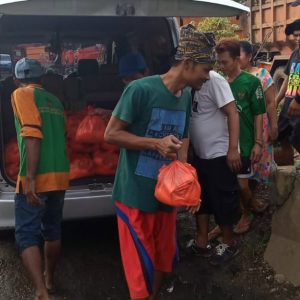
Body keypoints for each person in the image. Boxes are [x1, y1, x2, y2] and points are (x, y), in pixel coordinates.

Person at [104, 24, 215, 300]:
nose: (209, 77)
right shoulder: (140, 90)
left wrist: (189, 186)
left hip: (165, 196)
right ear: (188, 64)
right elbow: (111, 134)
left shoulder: (186, 95)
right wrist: (155, 143)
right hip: (135, 195)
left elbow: (183, 140)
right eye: (206, 70)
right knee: (141, 268)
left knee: (164, 261)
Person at [11, 58, 69, 300]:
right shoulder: (55, 101)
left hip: (37, 177)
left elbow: (32, 136)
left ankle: (41, 291)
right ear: (42, 79)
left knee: (26, 234)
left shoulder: (21, 94)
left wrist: (31, 180)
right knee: (52, 230)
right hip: (60, 176)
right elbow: (64, 135)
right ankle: (50, 280)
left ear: (17, 79)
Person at [187, 70, 241, 265]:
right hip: (201, 154)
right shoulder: (190, 83)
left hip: (220, 153)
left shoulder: (214, 80)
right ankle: (202, 241)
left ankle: (229, 242)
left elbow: (233, 112)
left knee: (223, 199)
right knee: (201, 198)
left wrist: (233, 149)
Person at [215, 39, 266, 235]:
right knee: (229, 185)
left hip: (244, 144)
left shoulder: (252, 82)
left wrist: (258, 142)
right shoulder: (219, 82)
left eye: (225, 62)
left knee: (242, 184)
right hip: (224, 144)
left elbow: (258, 113)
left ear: (237, 59)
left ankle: (249, 211)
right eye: (219, 62)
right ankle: (241, 213)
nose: (221, 66)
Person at [239, 41, 278, 194]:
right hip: (241, 129)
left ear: (249, 56)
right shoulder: (231, 77)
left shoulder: (262, 75)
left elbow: (270, 103)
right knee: (242, 166)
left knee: (256, 165)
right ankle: (248, 204)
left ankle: (251, 203)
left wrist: (274, 126)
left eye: (239, 54)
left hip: (260, 127)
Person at [275, 19, 300, 161]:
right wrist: (278, 99)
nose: (297, 39)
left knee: (297, 137)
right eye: (295, 35)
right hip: (289, 103)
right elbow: (290, 78)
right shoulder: (296, 53)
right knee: (281, 134)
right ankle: (289, 166)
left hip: (298, 104)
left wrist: (298, 101)